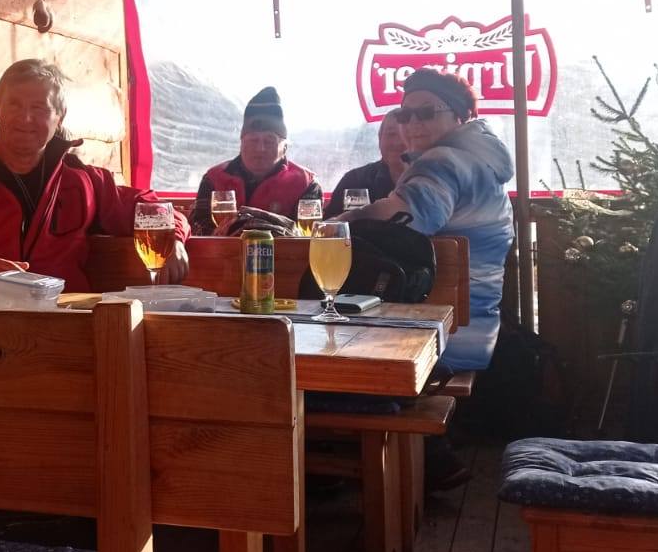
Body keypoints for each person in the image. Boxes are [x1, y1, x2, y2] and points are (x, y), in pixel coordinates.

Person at [333, 70, 514, 492]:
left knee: (308, 353)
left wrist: (336, 224)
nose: (411, 124)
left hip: (440, 332)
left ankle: (339, 464)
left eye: (426, 112)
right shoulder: (478, 158)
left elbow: (406, 219)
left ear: (460, 116)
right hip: (473, 324)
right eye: (404, 114)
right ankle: (417, 456)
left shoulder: (445, 161)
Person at [0, 59, 188, 293]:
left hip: (66, 321)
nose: (25, 118)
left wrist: (172, 239)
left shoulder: (82, 179)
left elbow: (155, 208)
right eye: (14, 104)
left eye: (39, 108)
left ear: (59, 117)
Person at [190, 86, 322, 236]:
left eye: (269, 141)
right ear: (241, 144)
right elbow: (199, 228)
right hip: (223, 251)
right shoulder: (214, 178)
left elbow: (308, 236)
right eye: (253, 140)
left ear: (285, 148)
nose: (260, 148)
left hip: (284, 252)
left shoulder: (306, 183)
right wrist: (216, 235)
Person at [325, 113, 408, 215]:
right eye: (391, 134)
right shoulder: (355, 180)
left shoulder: (425, 182)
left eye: (406, 134)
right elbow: (330, 223)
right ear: (379, 139)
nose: (398, 142)